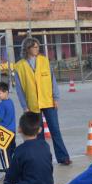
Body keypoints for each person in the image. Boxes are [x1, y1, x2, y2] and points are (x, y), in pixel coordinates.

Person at [14, 37, 71, 165]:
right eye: (34, 47)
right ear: (27, 48)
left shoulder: (44, 61)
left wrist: (56, 98)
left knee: (55, 130)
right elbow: (19, 89)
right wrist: (24, 106)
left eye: (38, 47)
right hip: (32, 105)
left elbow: (52, 81)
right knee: (37, 134)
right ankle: (41, 159)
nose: (37, 49)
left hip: (48, 101)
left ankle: (63, 157)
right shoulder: (19, 66)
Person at [0, 81, 16, 165]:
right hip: (12, 131)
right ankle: (13, 169)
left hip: (3, 132)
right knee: (11, 151)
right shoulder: (10, 102)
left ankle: (7, 170)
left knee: (3, 153)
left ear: (6, 92)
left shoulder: (1, 105)